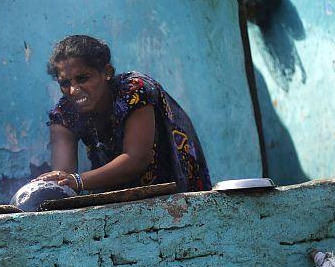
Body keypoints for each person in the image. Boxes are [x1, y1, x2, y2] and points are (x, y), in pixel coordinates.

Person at [38, 35, 211, 193]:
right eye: (65, 83)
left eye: (83, 78)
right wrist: (59, 181)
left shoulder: (134, 90)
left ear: (107, 72)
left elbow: (136, 158)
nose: (74, 90)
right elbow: (63, 180)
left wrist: (77, 180)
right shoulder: (64, 113)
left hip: (173, 190)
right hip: (117, 202)